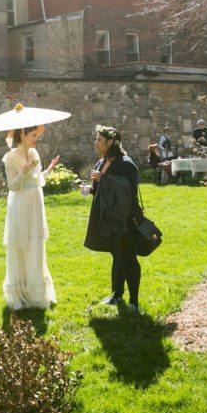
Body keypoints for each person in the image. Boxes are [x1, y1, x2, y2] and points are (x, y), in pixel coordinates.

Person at [84, 125, 143, 314]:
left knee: (128, 258)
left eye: (99, 140)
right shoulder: (101, 163)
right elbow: (101, 189)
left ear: (110, 142)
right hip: (108, 219)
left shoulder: (125, 164)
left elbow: (128, 189)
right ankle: (117, 294)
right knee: (116, 256)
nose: (96, 143)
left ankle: (133, 301)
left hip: (125, 219)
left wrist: (104, 180)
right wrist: (90, 189)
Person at [2, 124, 60, 310]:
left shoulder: (34, 154)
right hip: (21, 205)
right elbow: (12, 186)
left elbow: (38, 181)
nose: (37, 138)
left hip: (35, 204)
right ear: (23, 135)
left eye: (37, 135)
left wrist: (49, 168)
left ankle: (37, 293)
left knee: (36, 246)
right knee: (22, 245)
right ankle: (20, 293)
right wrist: (24, 170)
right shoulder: (10, 157)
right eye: (34, 135)